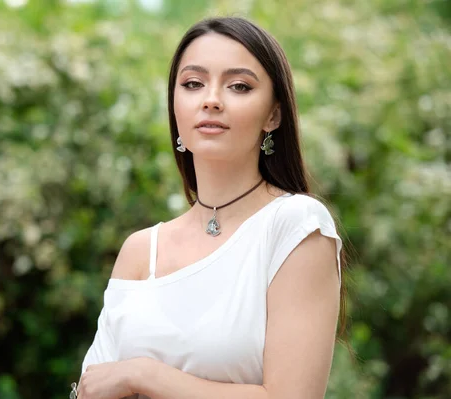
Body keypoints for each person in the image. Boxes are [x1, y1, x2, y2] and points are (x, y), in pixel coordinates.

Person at [74, 16, 345, 399]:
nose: (211, 99)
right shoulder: (141, 250)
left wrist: (143, 375)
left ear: (274, 114)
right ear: (175, 106)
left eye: (238, 86)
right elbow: (91, 388)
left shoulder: (296, 225)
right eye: (192, 83)